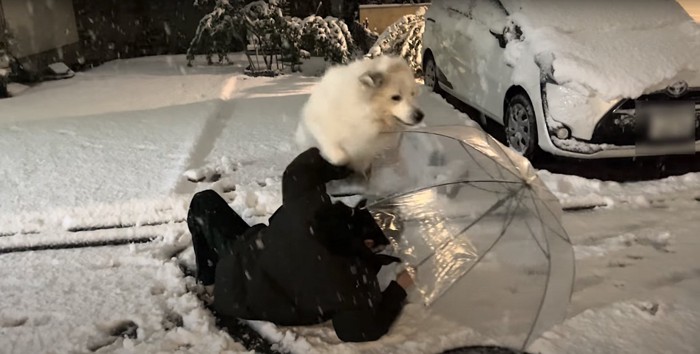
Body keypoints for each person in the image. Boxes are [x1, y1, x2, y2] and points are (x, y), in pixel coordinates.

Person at [187, 147, 414, 342]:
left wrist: (351, 160)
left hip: (241, 266)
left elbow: (300, 170)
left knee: (204, 202)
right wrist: (399, 288)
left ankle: (208, 277)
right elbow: (358, 331)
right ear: (369, 242)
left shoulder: (311, 208)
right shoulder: (353, 283)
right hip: (241, 297)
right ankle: (214, 280)